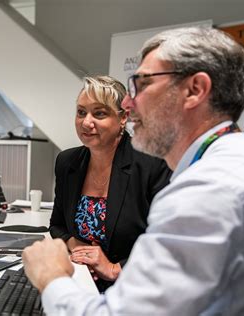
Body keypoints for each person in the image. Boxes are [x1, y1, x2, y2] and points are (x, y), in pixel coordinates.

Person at [22, 26, 244, 315]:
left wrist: (51, 278)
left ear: (194, 90)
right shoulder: (243, 167)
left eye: (142, 84)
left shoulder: (208, 191)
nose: (127, 102)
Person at [49, 75, 171, 291]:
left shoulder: (152, 163)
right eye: (81, 112)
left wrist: (114, 269)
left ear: (123, 118)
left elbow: (166, 242)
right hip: (82, 281)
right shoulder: (68, 162)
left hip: (135, 288)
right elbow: (57, 226)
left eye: (99, 113)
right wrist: (78, 248)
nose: (87, 122)